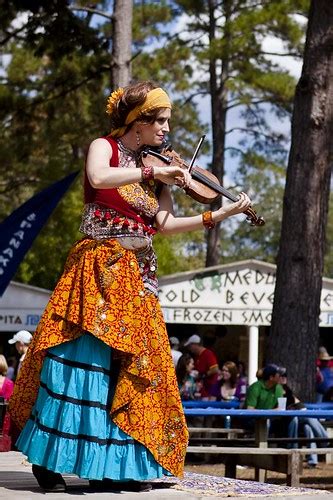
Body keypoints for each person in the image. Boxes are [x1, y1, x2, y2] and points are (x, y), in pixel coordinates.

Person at [8, 80, 251, 493]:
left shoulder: (157, 172)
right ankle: (52, 459)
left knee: (131, 369)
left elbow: (166, 225)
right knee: (82, 362)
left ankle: (110, 465)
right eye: (160, 121)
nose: (167, 129)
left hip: (137, 278)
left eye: (168, 121)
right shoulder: (105, 147)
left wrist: (220, 214)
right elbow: (98, 176)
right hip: (99, 267)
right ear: (138, 122)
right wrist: (154, 170)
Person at [279, 367, 328, 468]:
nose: (284, 378)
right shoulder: (275, 390)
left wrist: (299, 408)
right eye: (281, 376)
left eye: (285, 376)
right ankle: (325, 440)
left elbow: (297, 403)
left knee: (308, 427)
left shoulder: (287, 389)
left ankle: (312, 461)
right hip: (286, 421)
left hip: (295, 417)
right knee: (308, 418)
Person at [184, 334, 219, 399]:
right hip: (201, 390)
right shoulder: (197, 356)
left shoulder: (208, 354)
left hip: (209, 391)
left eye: (190, 346)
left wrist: (203, 375)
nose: (189, 348)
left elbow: (215, 369)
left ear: (195, 345)